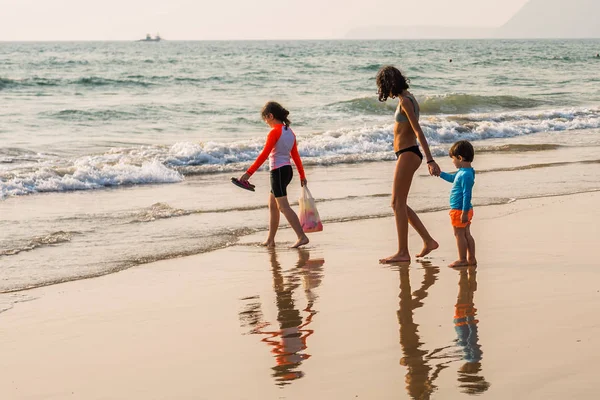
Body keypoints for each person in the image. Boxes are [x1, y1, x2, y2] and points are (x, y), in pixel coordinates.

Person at [376, 66, 440, 264]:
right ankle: (428, 241)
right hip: (406, 154)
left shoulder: (405, 101)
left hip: (408, 153)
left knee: (397, 203)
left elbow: (418, 131)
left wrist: (430, 160)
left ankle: (403, 252)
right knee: (399, 203)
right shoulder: (409, 98)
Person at [239, 102, 309, 248]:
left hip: (277, 172)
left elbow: (265, 154)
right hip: (287, 171)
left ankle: (301, 236)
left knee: (283, 207)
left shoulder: (274, 132)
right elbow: (295, 156)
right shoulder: (289, 132)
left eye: (265, 119)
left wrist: (248, 173)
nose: (266, 122)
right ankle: (270, 239)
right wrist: (302, 175)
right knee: (272, 205)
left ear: (270, 116)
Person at [439, 140, 476, 267]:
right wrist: (440, 174)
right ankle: (471, 258)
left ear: (460, 158)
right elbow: (452, 179)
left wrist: (464, 212)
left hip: (460, 210)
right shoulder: (466, 172)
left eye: (453, 159)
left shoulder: (465, 175)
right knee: (466, 234)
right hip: (464, 209)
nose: (452, 161)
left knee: (459, 234)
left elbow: (467, 194)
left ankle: (462, 259)